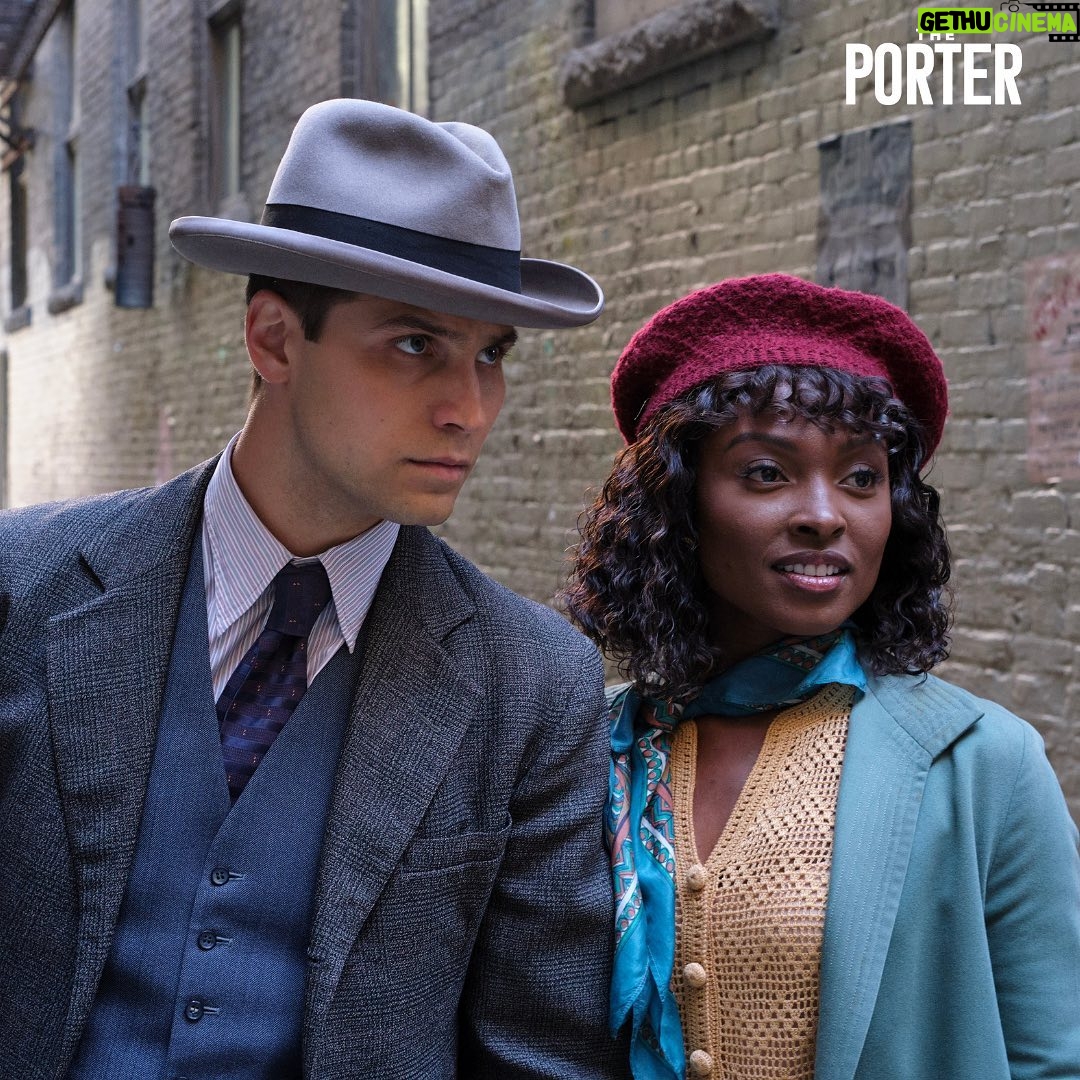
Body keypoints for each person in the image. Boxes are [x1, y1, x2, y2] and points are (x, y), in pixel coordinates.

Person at [0, 99, 628, 1079]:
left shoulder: (534, 686)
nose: (469, 409)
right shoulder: (24, 589)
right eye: (415, 345)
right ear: (275, 341)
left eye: (491, 353)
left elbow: (540, 1056)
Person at [563, 274, 1080, 1080]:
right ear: (680, 504)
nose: (824, 514)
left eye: (861, 478)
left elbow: (1056, 1059)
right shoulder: (587, 747)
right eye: (767, 473)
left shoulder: (985, 767)